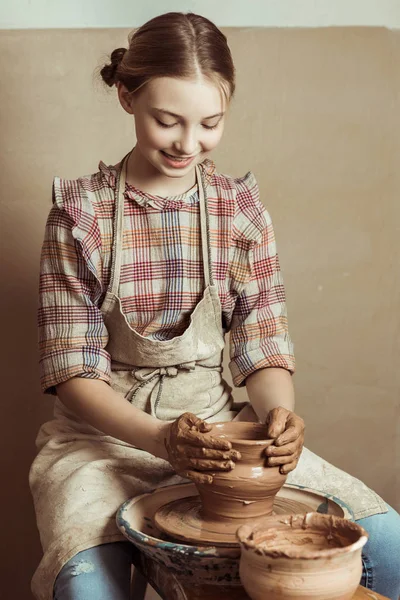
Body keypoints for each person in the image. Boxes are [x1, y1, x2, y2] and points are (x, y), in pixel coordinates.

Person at [30, 11, 400, 600]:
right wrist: (159, 438)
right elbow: (73, 371)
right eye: (168, 121)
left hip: (217, 431)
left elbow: (263, 343)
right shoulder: (80, 214)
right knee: (84, 585)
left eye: (210, 123)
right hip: (101, 441)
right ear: (127, 96)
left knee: (387, 546)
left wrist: (278, 417)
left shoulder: (241, 210)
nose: (188, 143)